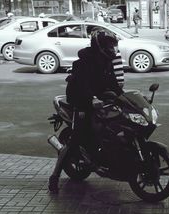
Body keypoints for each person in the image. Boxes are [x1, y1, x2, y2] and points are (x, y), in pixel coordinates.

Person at [48, 29, 124, 193]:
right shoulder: (83, 63)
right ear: (100, 46)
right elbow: (83, 86)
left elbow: (114, 85)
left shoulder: (107, 62)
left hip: (98, 99)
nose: (113, 50)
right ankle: (54, 176)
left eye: (114, 47)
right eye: (109, 46)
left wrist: (125, 98)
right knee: (77, 137)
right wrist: (92, 99)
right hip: (80, 101)